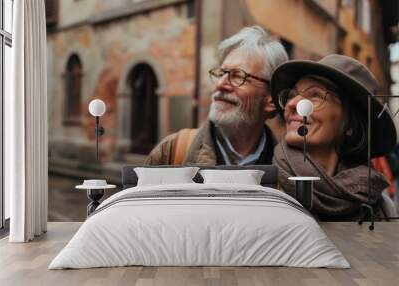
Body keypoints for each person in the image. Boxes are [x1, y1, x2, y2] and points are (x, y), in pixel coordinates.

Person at [270, 54, 397, 220]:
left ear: (350, 125)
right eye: (292, 95)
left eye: (315, 95)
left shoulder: (381, 208)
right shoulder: (264, 189)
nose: (292, 104)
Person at [145, 26, 288, 165]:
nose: (220, 84)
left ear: (271, 101)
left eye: (238, 76)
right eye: (221, 73)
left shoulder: (289, 171)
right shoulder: (170, 152)